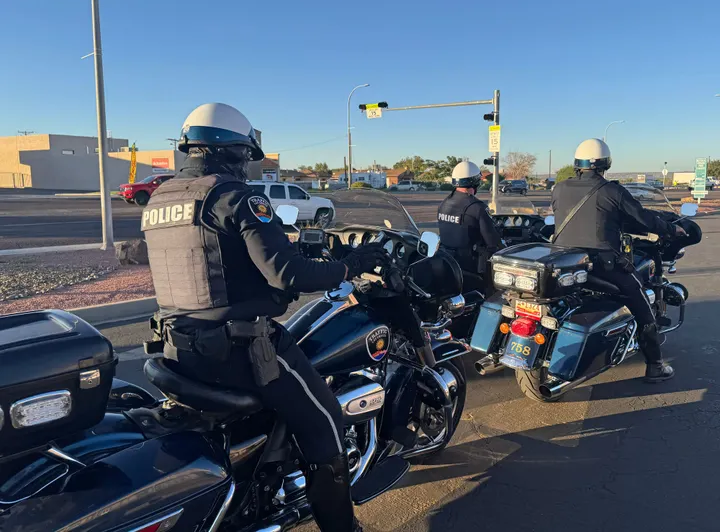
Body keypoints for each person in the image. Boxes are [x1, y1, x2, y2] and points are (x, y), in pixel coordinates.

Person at [141, 103, 386, 532]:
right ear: (236, 150)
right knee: (326, 423)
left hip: (178, 345)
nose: (247, 165)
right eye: (245, 156)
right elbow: (288, 273)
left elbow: (210, 261)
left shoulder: (161, 198)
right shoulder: (237, 197)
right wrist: (350, 265)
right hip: (239, 350)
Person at [551, 138, 685, 382]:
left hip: (565, 262)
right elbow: (643, 217)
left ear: (577, 164)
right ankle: (655, 365)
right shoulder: (612, 190)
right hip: (603, 266)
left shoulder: (559, 187)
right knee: (644, 307)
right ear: (606, 164)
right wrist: (670, 229)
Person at [437, 161, 503, 293]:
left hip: (447, 263)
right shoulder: (477, 207)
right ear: (475, 182)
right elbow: (493, 243)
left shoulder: (444, 204)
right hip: (470, 268)